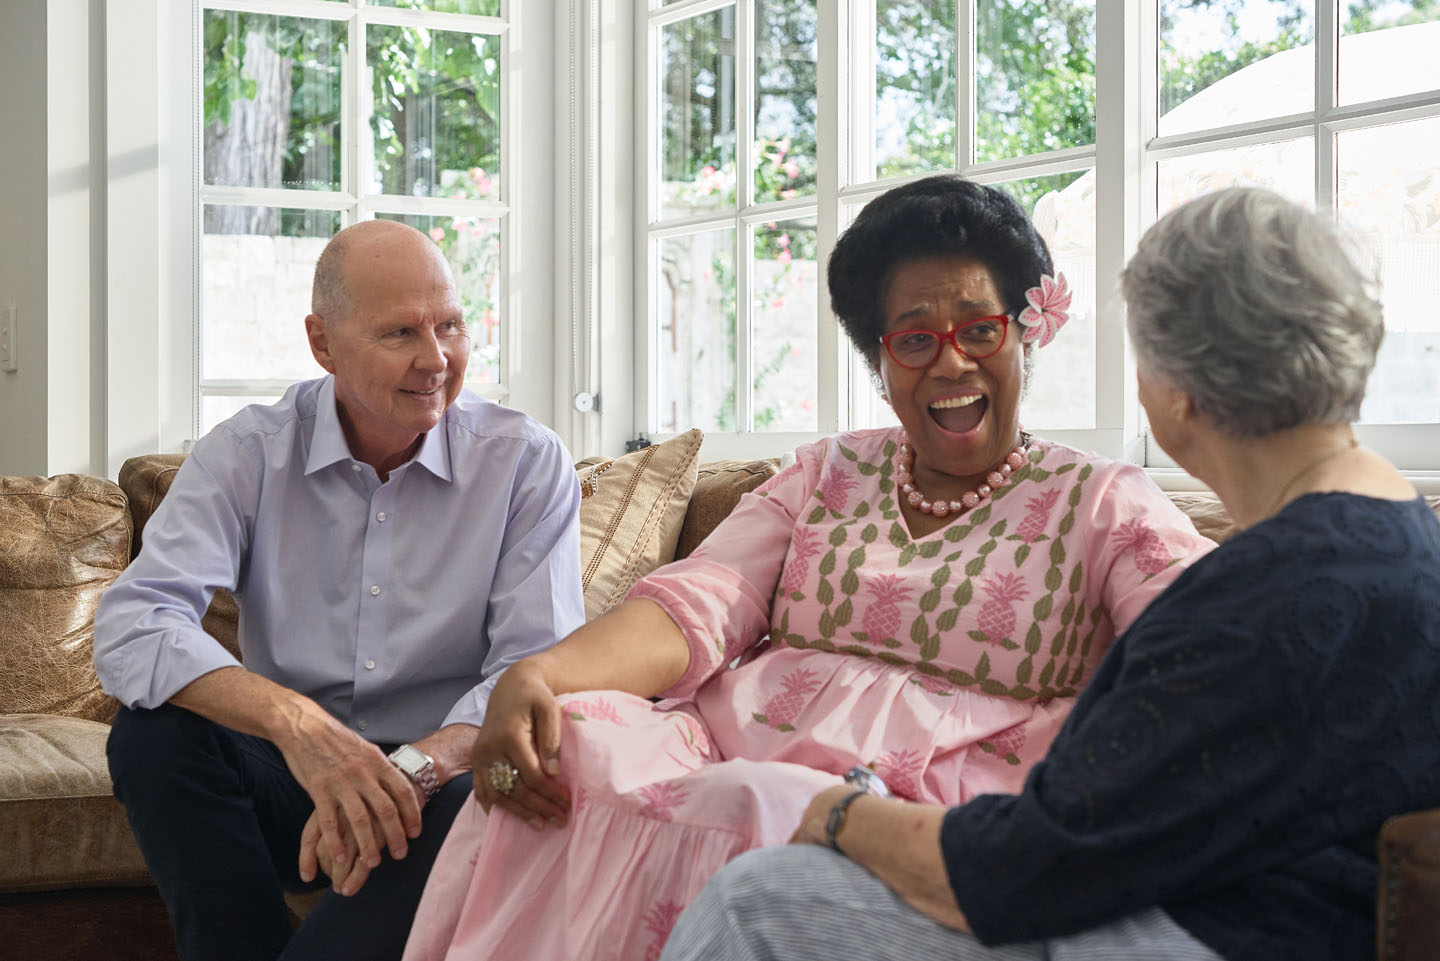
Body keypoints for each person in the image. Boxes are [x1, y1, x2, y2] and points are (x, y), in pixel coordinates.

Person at [401, 175, 1215, 961]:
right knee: (574, 738)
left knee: (761, 800)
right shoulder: (827, 472)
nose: (953, 362)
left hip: (919, 811)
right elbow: (696, 604)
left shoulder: (1103, 498)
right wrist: (539, 676)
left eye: (979, 329)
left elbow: (1222, 642)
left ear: (1024, 332)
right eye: (916, 338)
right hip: (731, 750)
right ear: (882, 360)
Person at [659, 187, 1440, 961]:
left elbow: (1030, 865)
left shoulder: (1249, 600)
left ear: (1175, 394)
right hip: (1265, 908)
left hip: (1192, 934)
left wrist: (836, 811)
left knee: (753, 903)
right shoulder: (1403, 544)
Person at [93, 220, 585, 961]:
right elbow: (133, 624)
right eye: (399, 333)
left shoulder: (524, 462)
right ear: (322, 342)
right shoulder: (249, 452)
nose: (436, 359)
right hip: (296, 776)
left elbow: (535, 668)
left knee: (483, 790)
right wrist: (300, 728)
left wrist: (414, 768)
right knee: (153, 737)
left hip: (442, 777)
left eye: (449, 325)